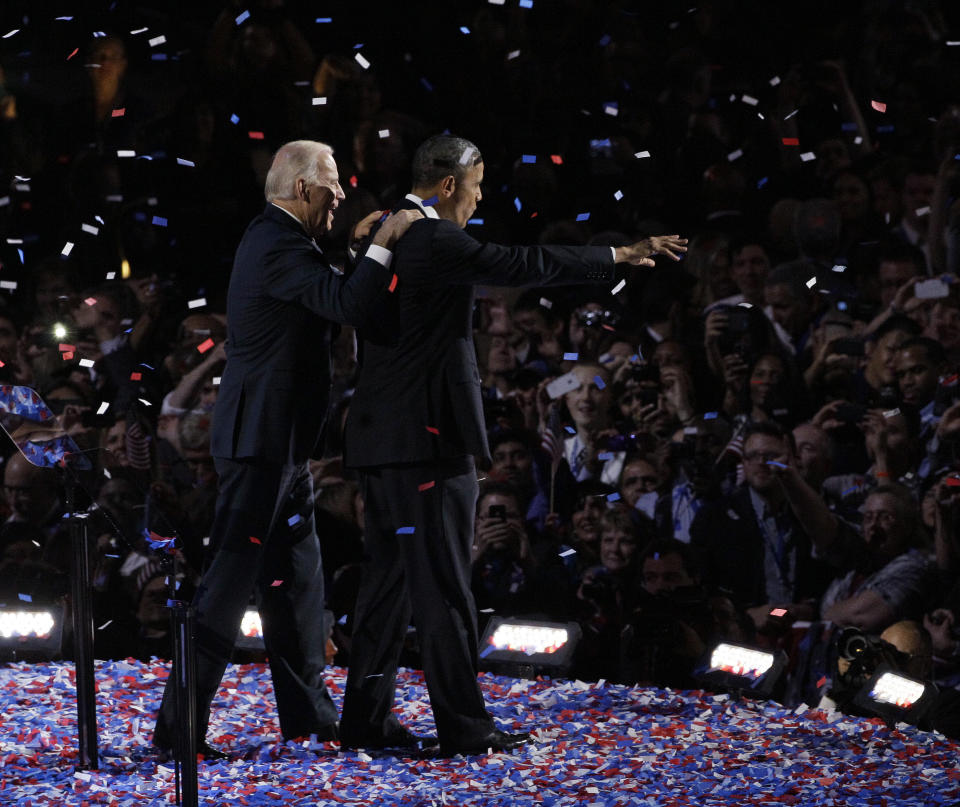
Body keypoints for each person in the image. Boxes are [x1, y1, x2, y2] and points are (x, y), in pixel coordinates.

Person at [340, 133, 686, 756]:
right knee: (445, 587)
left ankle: (365, 720)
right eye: (476, 185)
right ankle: (465, 729)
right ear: (448, 184)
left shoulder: (384, 231)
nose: (479, 197)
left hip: (380, 440)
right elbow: (525, 264)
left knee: (386, 589)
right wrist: (618, 254)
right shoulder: (435, 238)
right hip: (425, 441)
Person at [151, 140, 422, 758]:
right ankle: (177, 731)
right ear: (303, 190)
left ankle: (309, 717)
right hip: (259, 448)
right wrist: (387, 239)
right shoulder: (275, 245)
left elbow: (331, 283)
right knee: (226, 588)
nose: (342, 196)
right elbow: (347, 302)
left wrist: (354, 246)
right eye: (333, 186)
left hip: (285, 448)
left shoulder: (287, 242)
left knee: (297, 583)